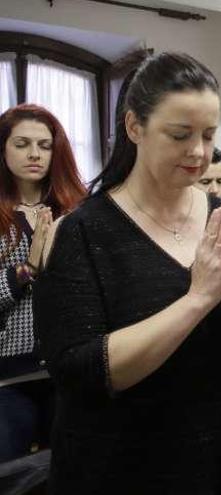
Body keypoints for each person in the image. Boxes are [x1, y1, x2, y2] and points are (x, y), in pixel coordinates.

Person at [33, 52, 221, 494]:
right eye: (180, 135)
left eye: (208, 134)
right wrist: (197, 299)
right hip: (129, 470)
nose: (199, 152)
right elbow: (79, 369)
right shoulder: (85, 232)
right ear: (134, 127)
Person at [0, 104, 86, 486]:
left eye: (44, 145)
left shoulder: (75, 211)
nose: (34, 154)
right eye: (22, 144)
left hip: (66, 369)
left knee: (75, 471)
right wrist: (26, 270)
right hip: (7, 379)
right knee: (12, 476)